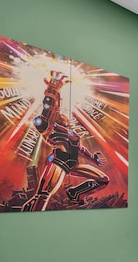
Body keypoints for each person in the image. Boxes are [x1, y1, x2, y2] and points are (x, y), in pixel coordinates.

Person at [22, 70, 109, 211]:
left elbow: (80, 149)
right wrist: (53, 90)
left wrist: (93, 159)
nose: (63, 117)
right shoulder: (51, 128)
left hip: (73, 165)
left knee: (103, 180)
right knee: (43, 195)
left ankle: (75, 193)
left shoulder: (71, 133)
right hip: (59, 163)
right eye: (59, 117)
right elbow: (49, 110)